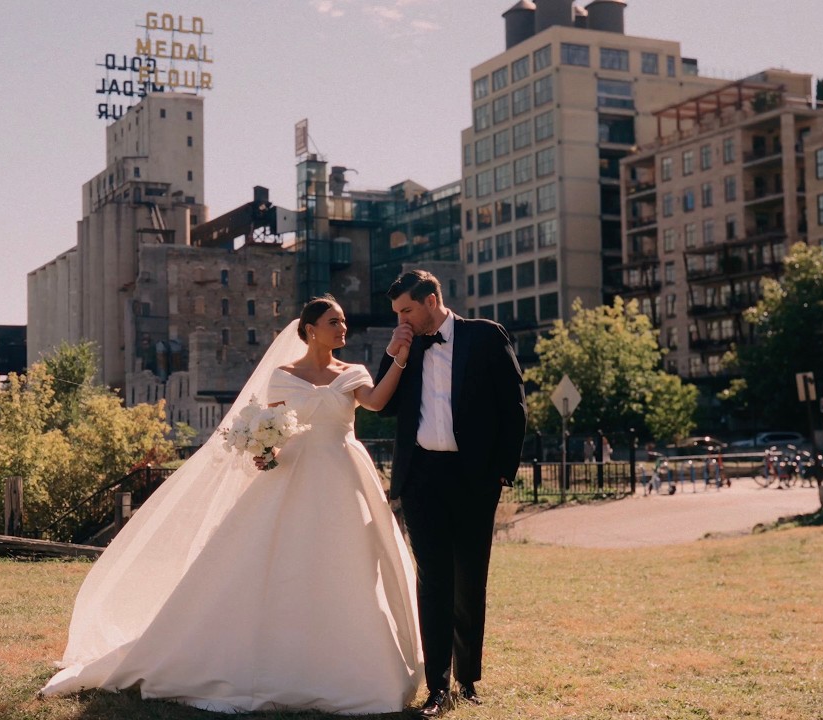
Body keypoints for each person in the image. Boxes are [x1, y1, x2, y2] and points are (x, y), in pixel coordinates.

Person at [41, 295, 424, 713]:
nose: (343, 328)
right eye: (335, 321)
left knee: (347, 565)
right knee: (277, 564)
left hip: (344, 477)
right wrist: (265, 451)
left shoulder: (353, 372)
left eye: (344, 322)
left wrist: (398, 358)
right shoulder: (283, 376)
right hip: (292, 477)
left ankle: (357, 668)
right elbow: (277, 429)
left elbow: (377, 402)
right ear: (311, 329)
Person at [374, 270, 526, 717]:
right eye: (397, 312)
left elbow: (513, 408)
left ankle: (468, 678)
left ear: (432, 299)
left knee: (469, 579)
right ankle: (436, 686)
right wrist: (394, 351)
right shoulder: (407, 346)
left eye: (407, 310)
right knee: (434, 581)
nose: (402, 319)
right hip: (422, 478)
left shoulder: (486, 337)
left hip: (475, 478)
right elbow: (388, 407)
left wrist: (501, 473)